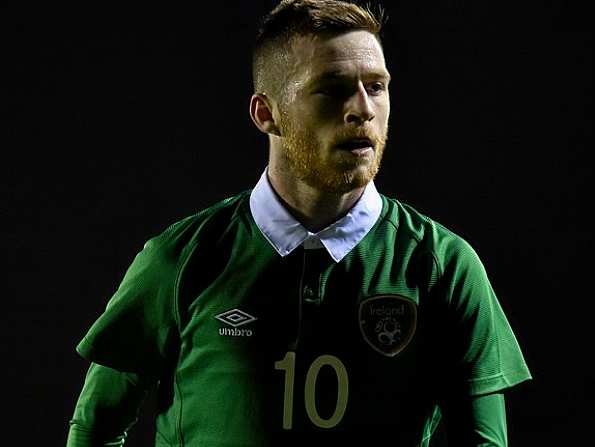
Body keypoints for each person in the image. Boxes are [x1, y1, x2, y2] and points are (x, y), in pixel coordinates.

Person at [66, 1, 531, 445]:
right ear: (267, 114)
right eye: (332, 88)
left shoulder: (443, 266)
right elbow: (94, 429)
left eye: (377, 86)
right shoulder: (181, 258)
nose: (363, 109)